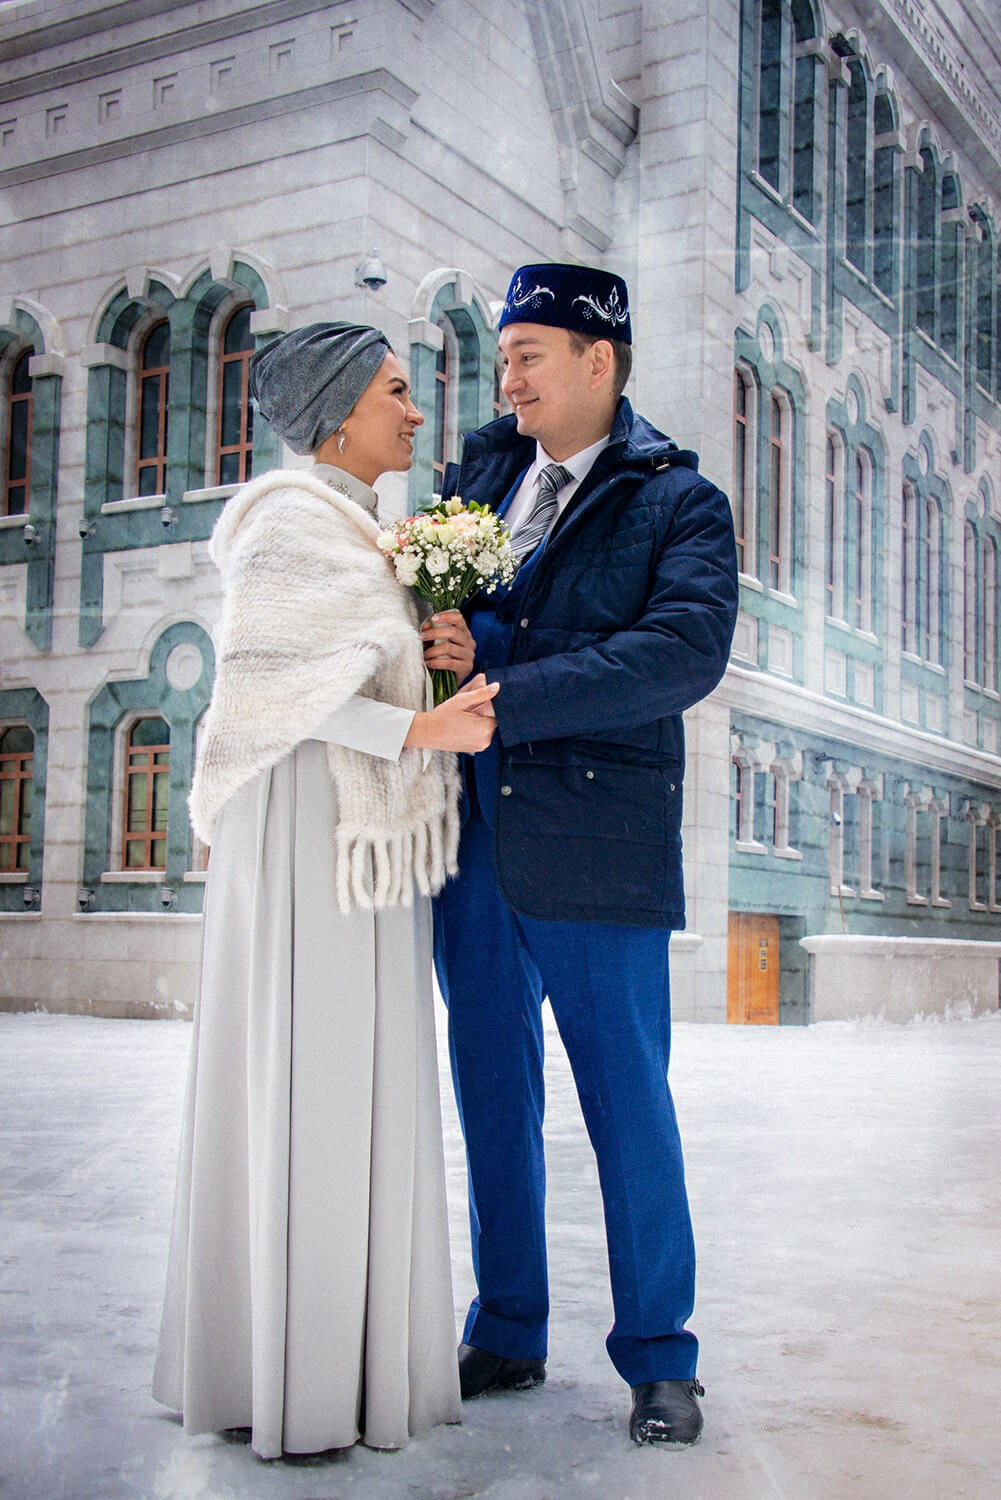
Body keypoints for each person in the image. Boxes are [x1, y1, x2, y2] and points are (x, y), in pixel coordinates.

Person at [152, 321, 495, 1460]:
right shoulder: (286, 526)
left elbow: (356, 664)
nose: (413, 410)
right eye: (395, 391)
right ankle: (286, 1370)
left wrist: (434, 649)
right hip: (306, 842)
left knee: (355, 1076)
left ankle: (345, 1363)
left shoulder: (362, 531)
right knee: (305, 1072)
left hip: (356, 841)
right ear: (339, 408)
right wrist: (419, 722)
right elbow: (269, 699)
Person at [432, 264, 739, 1447]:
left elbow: (676, 656)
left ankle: (660, 1358)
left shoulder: (678, 502)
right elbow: (449, 632)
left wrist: (501, 682)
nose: (503, 375)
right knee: (490, 1096)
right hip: (469, 841)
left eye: (526, 355)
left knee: (625, 1104)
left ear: (597, 361)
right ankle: (505, 1325)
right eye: (502, 355)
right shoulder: (478, 476)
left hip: (597, 850)